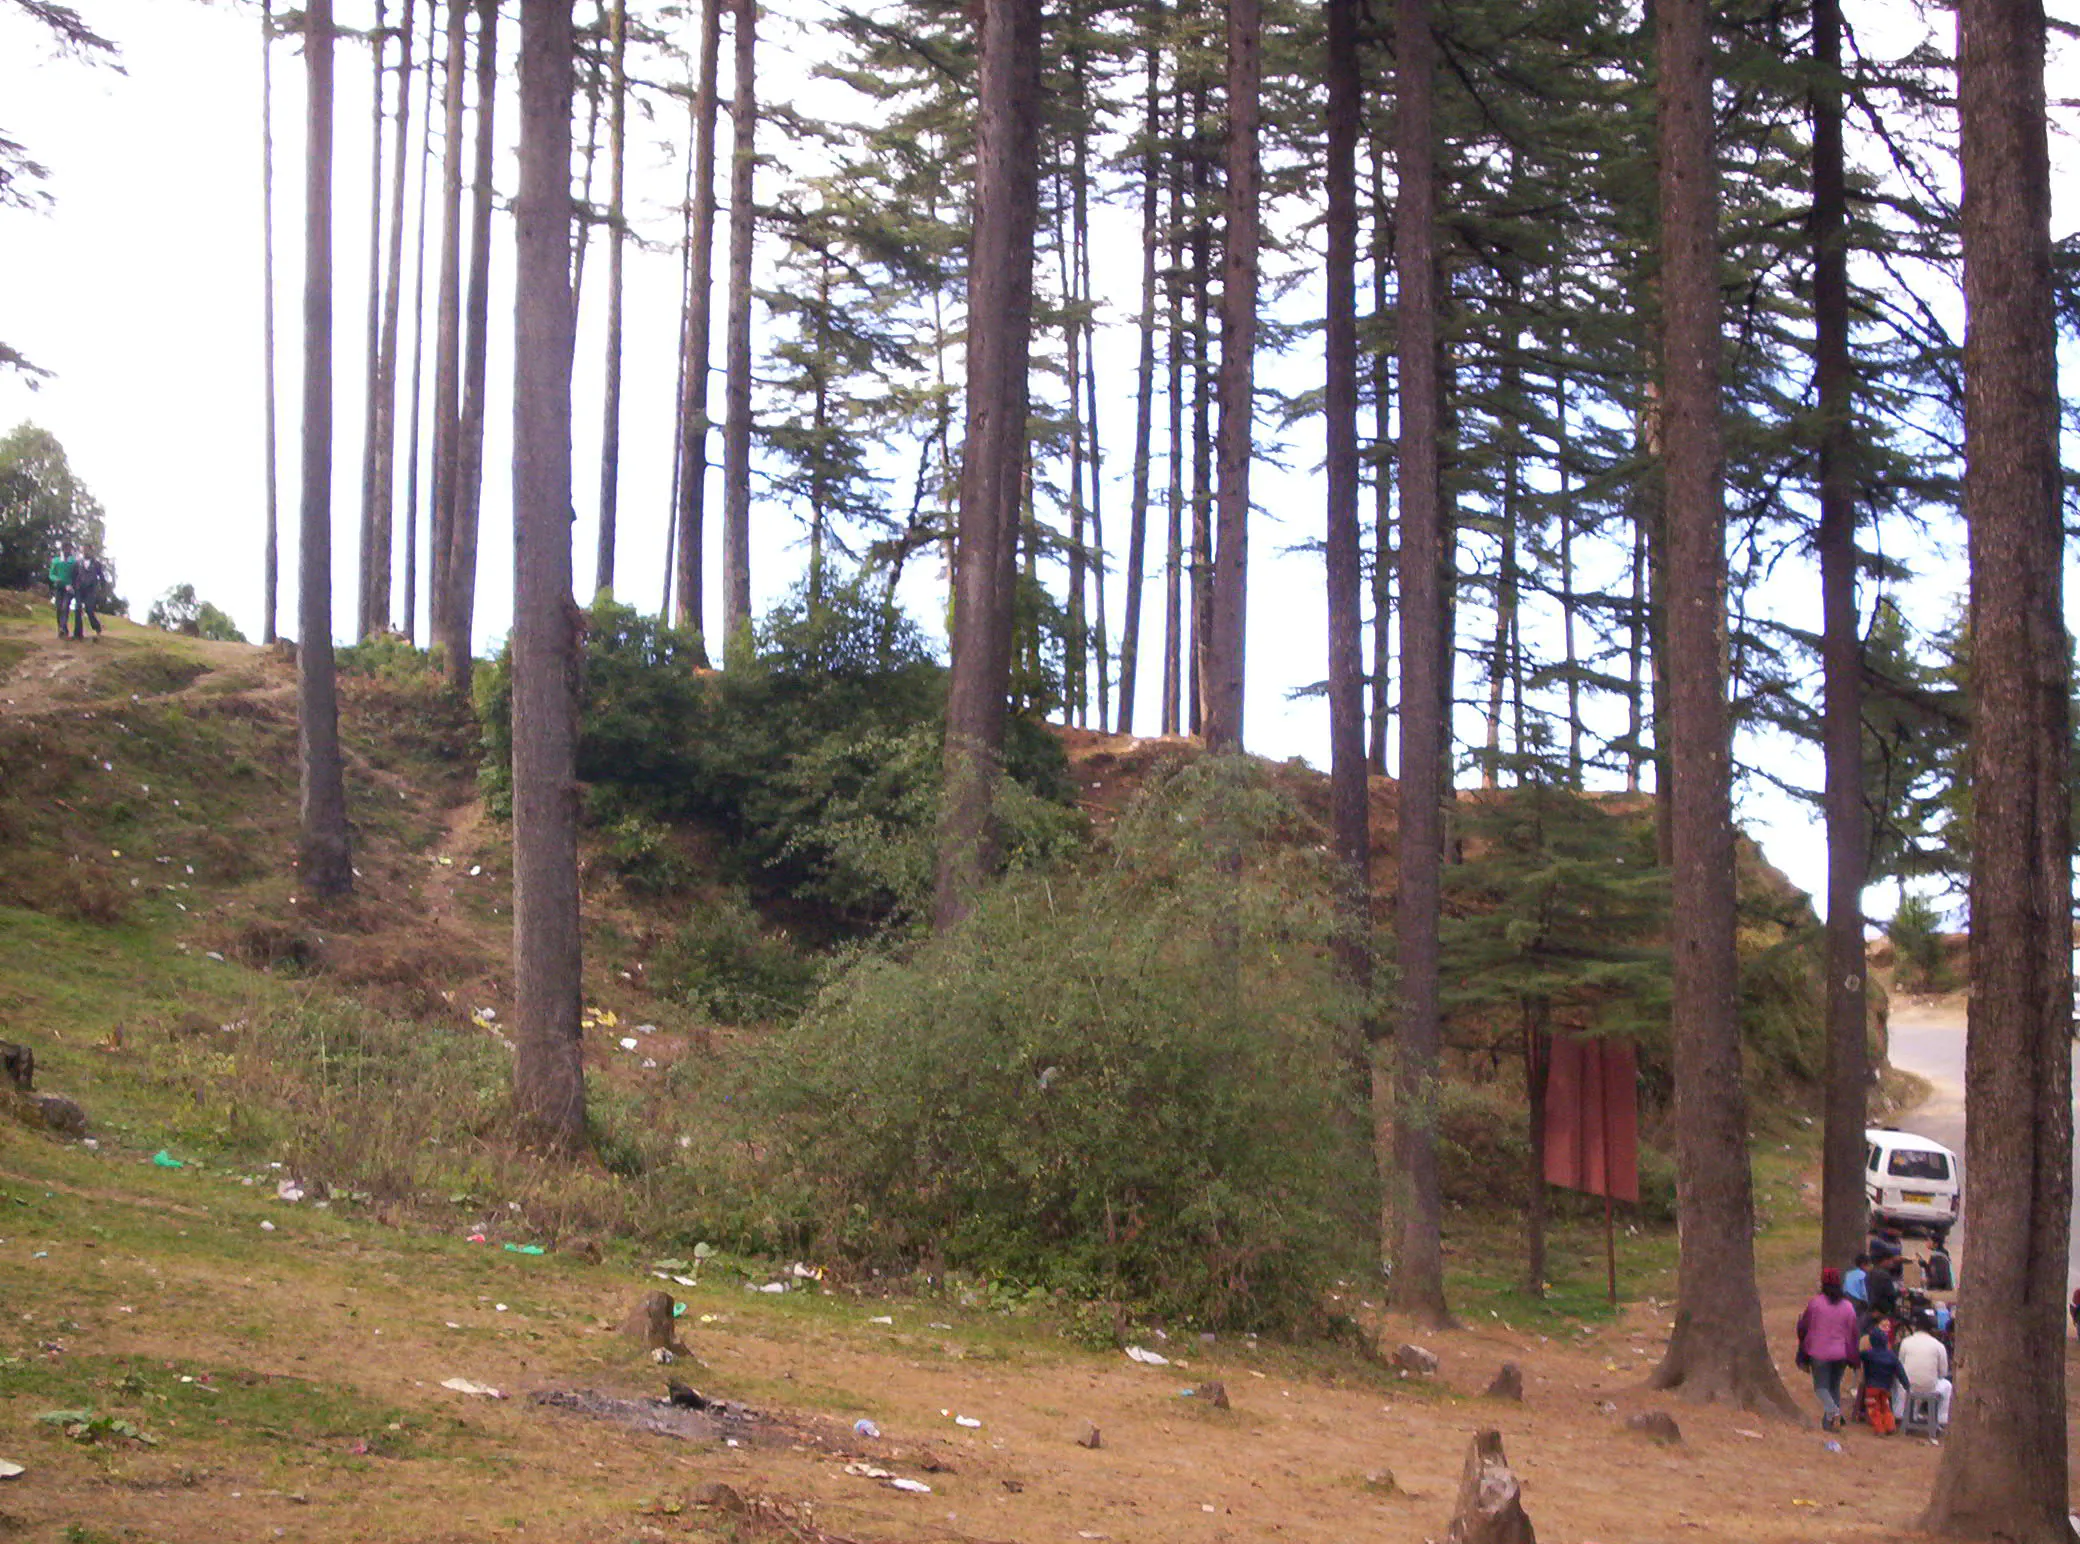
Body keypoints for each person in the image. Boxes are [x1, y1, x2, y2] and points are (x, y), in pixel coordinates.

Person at [1796, 1266, 1861, 1430]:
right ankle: (1830, 1424)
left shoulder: (1815, 1304)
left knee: (1821, 1388)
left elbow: (1804, 1327)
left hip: (1819, 1353)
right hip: (1841, 1353)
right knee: (1834, 1388)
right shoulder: (1848, 1306)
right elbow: (1853, 1331)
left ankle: (1834, 1412)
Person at [1896, 1313, 1953, 1435]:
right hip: (1929, 1387)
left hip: (1908, 1386)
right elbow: (1943, 1372)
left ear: (1916, 1327)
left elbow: (1900, 1365)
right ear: (1931, 1329)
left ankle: (1900, 1414)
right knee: (1947, 1385)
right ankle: (1941, 1419)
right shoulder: (1938, 1345)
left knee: (1901, 1381)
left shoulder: (1906, 1342)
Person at [1858, 1326, 1908, 1435]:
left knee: (1873, 1409)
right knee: (1886, 1407)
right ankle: (1890, 1426)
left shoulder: (1868, 1354)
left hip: (1872, 1387)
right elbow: (1900, 1371)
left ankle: (1879, 1429)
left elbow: (1857, 1356)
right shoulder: (1892, 1356)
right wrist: (1906, 1385)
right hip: (1886, 1387)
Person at [68, 552, 104, 640]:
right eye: (84, 550)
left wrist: (102, 589)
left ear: (91, 551)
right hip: (79, 589)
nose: (85, 552)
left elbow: (101, 576)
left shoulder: (96, 564)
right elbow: (73, 576)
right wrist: (73, 586)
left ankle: (96, 626)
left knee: (89, 609)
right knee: (77, 608)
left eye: (87, 550)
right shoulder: (78, 563)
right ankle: (78, 634)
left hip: (90, 590)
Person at [46, 547, 78, 639]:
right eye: (66, 550)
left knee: (65, 606)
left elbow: (76, 575)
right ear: (62, 550)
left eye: (69, 550)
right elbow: (51, 574)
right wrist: (56, 579)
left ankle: (63, 628)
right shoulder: (56, 561)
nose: (68, 551)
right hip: (59, 588)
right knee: (59, 608)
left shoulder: (73, 562)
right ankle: (61, 628)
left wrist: (72, 585)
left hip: (69, 589)